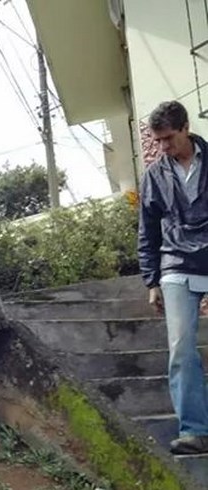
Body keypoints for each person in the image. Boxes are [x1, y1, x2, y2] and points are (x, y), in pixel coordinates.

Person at [138, 100, 208, 455]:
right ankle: (195, 431)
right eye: (158, 140)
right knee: (181, 348)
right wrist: (151, 281)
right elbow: (147, 231)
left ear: (185, 129)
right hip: (175, 264)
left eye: (168, 138)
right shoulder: (154, 175)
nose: (163, 147)